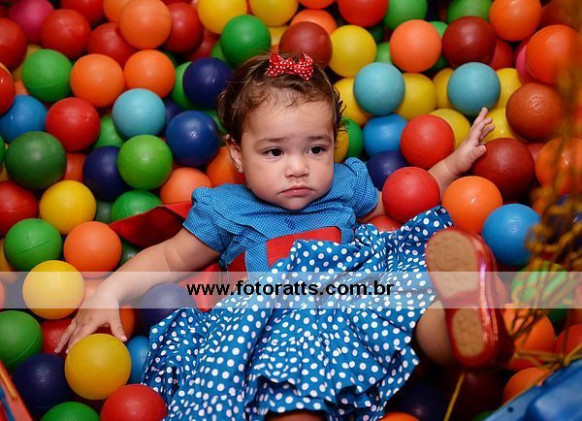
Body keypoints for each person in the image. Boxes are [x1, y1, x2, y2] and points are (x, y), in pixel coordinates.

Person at [56, 53, 506, 421]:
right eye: (274, 151)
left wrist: (453, 165)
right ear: (237, 154)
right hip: (276, 319)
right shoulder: (227, 208)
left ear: (334, 144)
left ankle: (461, 326)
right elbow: (170, 259)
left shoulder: (343, 184)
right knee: (287, 381)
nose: (298, 167)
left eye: (316, 148)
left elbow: (400, 202)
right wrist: (111, 291)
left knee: (407, 292)